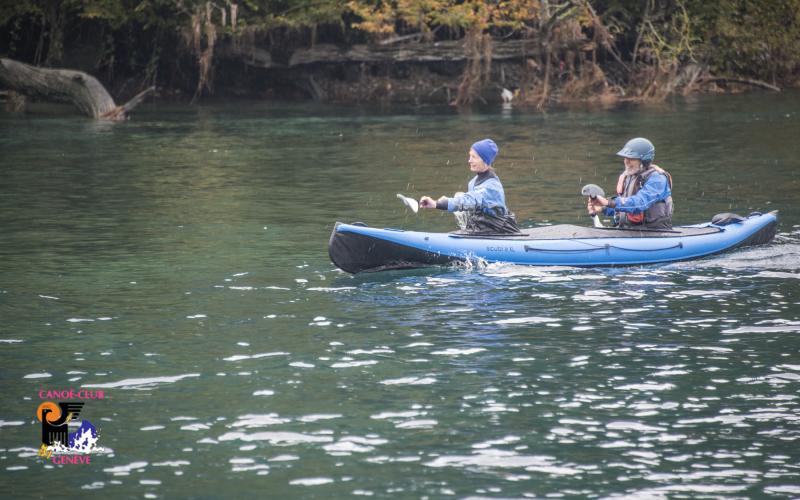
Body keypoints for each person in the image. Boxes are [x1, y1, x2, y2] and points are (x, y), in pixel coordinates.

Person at [420, 138, 520, 234]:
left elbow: (469, 200)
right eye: (470, 156)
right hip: (483, 230)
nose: (469, 160)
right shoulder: (473, 182)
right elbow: (469, 202)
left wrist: (437, 204)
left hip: (502, 232)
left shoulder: (492, 187)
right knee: (458, 195)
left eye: (474, 157)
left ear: (485, 161)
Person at [587, 137, 673, 230]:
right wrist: (603, 208)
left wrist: (609, 202)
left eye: (631, 158)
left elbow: (640, 203)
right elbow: (625, 208)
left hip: (654, 232)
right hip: (628, 230)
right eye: (625, 157)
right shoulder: (629, 176)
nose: (626, 161)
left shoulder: (658, 179)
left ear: (643, 160)